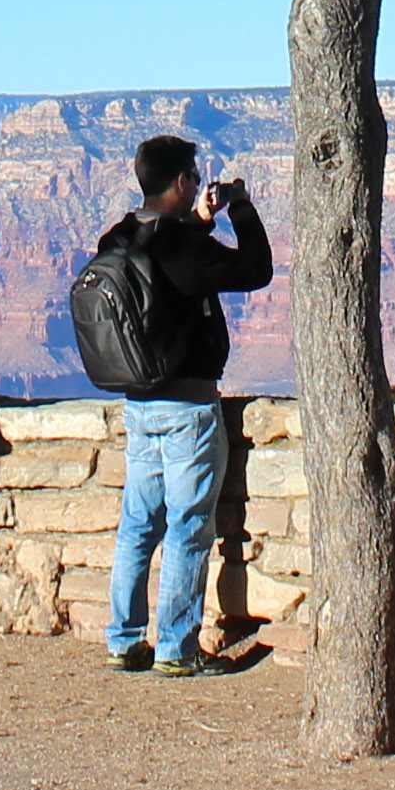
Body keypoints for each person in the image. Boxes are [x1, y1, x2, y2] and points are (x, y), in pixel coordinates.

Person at [95, 133, 274, 675]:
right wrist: (240, 206)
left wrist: (198, 220)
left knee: (137, 524)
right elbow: (256, 269)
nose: (198, 184)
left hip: (138, 404)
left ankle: (124, 639)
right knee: (189, 524)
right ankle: (176, 646)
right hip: (188, 410)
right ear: (180, 181)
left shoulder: (119, 237)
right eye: (194, 178)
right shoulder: (184, 247)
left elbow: (167, 271)